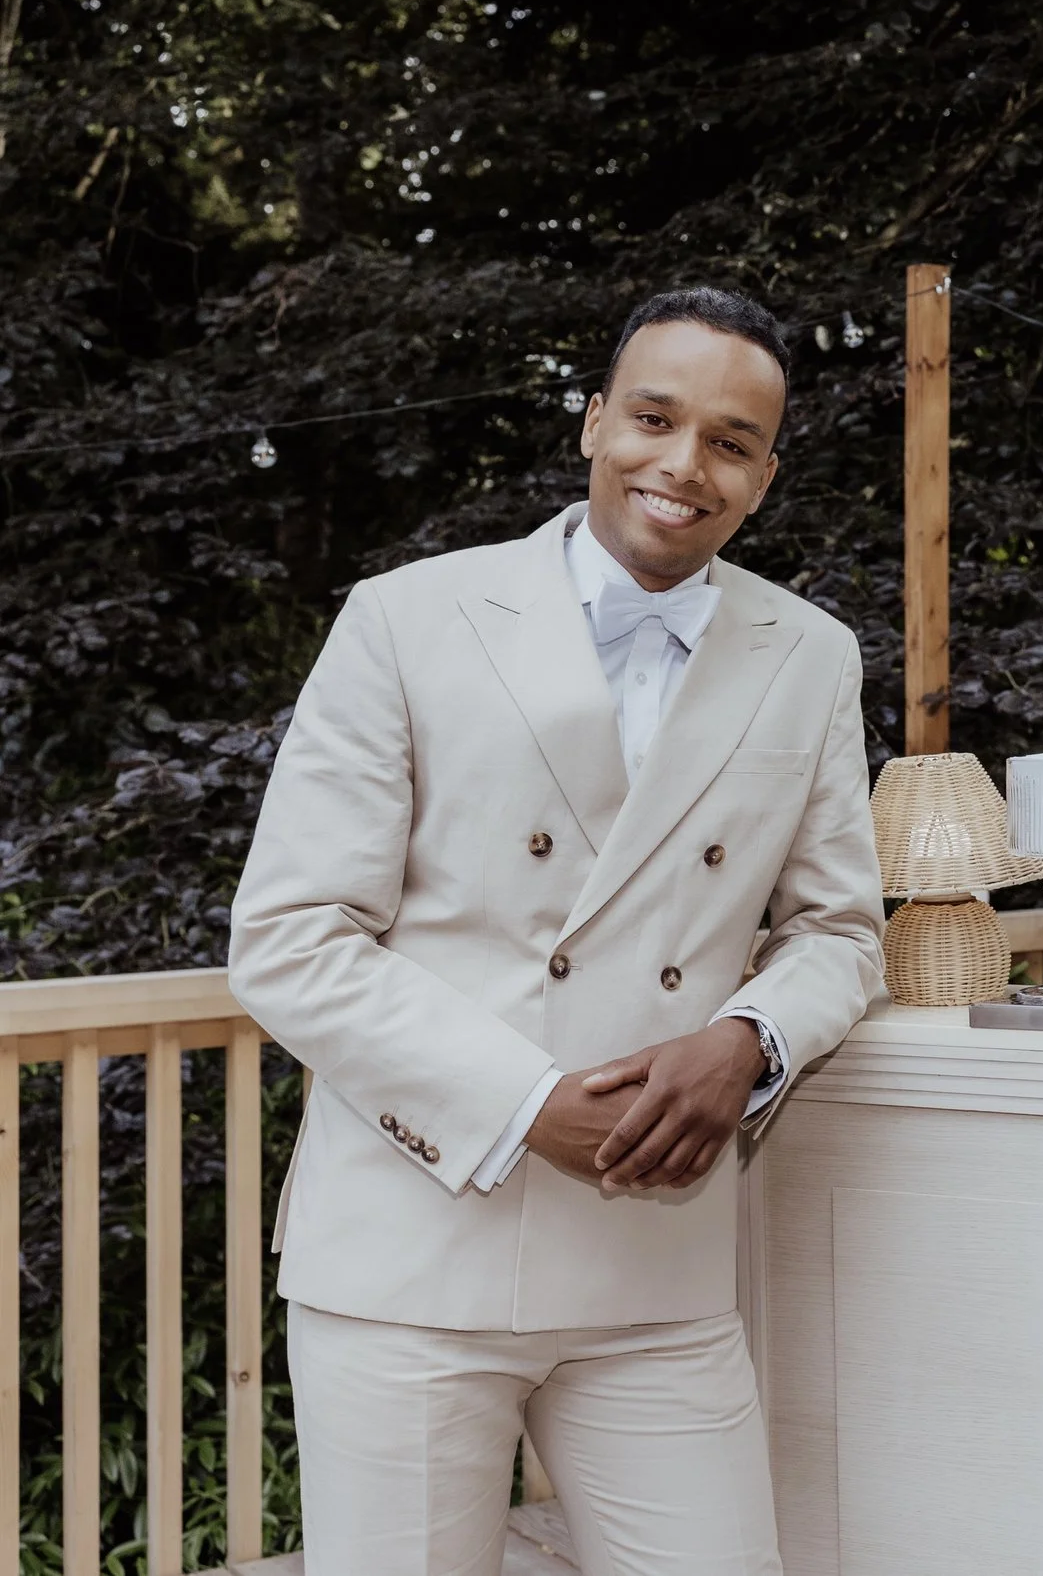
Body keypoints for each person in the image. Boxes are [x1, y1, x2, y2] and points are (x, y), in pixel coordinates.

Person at [227, 286, 884, 1576]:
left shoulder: (810, 655)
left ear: (765, 472)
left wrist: (751, 1038)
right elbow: (294, 935)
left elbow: (840, 932)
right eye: (654, 417)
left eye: (732, 441)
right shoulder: (407, 618)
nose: (683, 465)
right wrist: (530, 1102)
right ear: (593, 423)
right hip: (411, 1262)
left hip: (655, 1261)